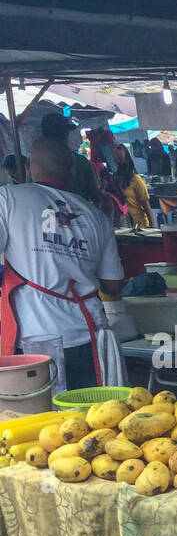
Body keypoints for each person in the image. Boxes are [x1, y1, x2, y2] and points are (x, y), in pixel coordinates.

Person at [0, 137, 126, 388]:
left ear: (28, 168)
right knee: (92, 420)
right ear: (71, 170)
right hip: (90, 336)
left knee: (43, 420)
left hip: (36, 340)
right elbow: (113, 285)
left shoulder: (8, 199)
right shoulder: (97, 217)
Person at [40, 114, 99, 206]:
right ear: (66, 134)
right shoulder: (80, 161)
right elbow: (95, 195)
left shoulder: (34, 163)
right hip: (77, 215)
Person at [113, 143, 153, 228]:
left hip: (139, 225)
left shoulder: (136, 179)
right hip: (122, 226)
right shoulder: (114, 179)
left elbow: (146, 206)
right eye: (116, 158)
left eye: (120, 158)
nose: (118, 161)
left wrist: (152, 226)